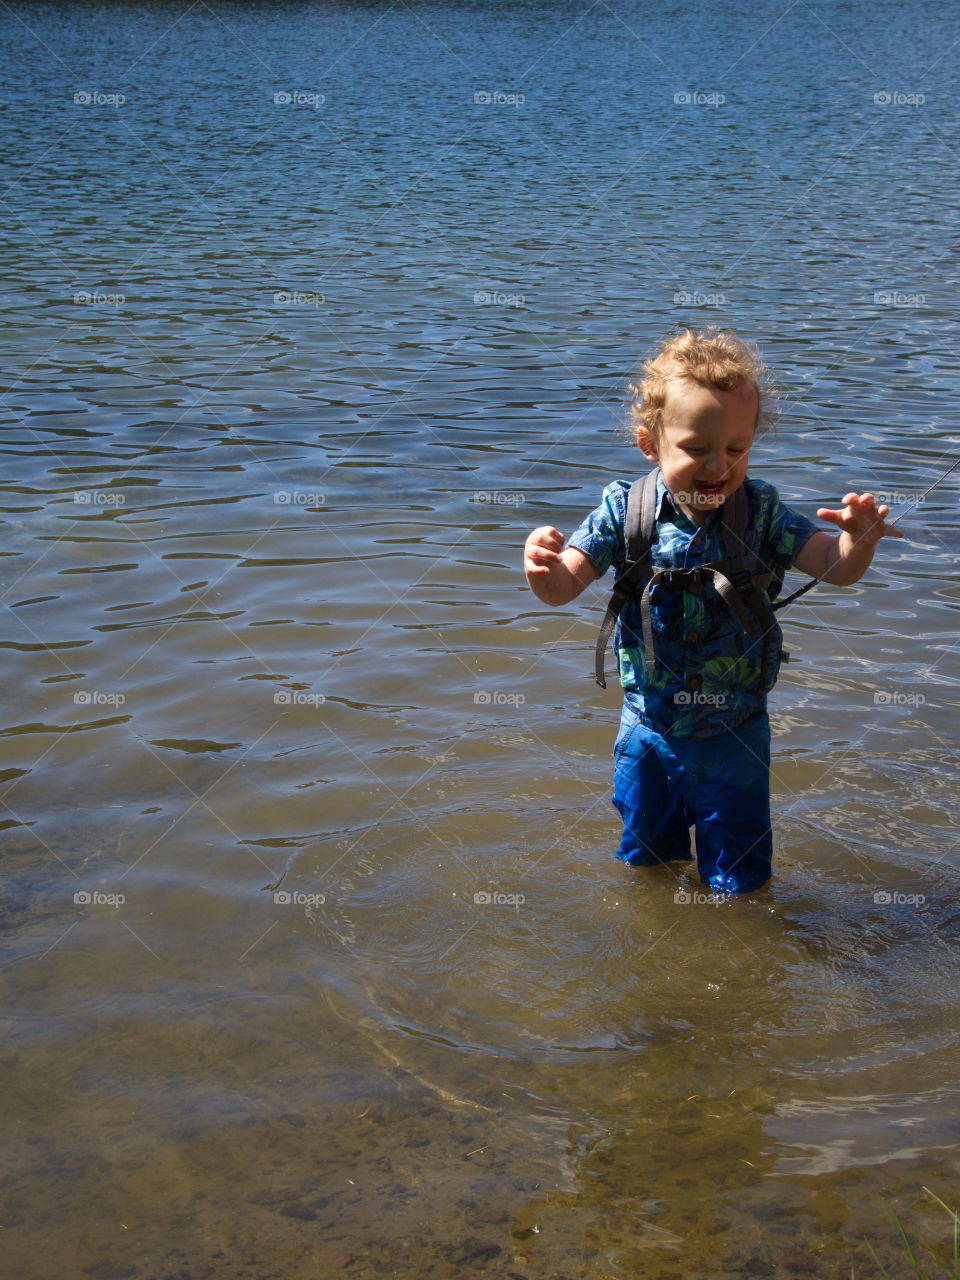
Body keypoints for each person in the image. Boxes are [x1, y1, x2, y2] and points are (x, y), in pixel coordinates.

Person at [523, 328, 903, 895]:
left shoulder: (763, 513)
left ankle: (739, 952)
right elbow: (564, 587)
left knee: (741, 882)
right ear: (649, 443)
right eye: (697, 449)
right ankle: (662, 949)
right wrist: (543, 570)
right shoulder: (623, 511)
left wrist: (859, 542)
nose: (717, 467)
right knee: (647, 866)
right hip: (648, 732)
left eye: (736, 449)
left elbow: (833, 566)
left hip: (738, 736)